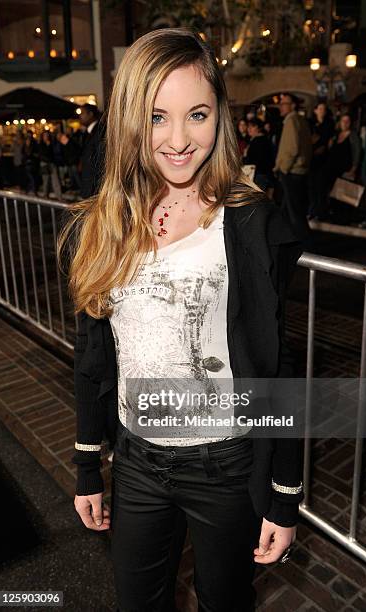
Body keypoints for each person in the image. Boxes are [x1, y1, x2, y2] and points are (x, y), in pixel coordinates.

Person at [58, 28, 304, 612]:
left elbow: (277, 365)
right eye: (156, 117)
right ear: (127, 122)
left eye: (196, 114)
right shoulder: (102, 225)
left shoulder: (249, 224)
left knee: (224, 602)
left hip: (228, 464)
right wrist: (87, 463)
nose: (177, 140)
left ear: (219, 114)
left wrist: (285, 494)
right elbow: (94, 355)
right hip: (137, 462)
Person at [274, 93, 313, 248]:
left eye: (284, 103)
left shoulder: (291, 121)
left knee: (295, 213)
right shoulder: (300, 120)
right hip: (297, 171)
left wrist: (283, 168)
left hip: (291, 172)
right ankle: (284, 242)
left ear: (293, 105)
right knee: (287, 210)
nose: (281, 106)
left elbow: (292, 148)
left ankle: (306, 246)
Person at [324, 113, 362, 223]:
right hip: (334, 169)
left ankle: (345, 217)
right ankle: (335, 215)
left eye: (347, 121)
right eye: (343, 121)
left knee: (346, 194)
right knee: (335, 193)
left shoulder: (353, 136)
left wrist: (354, 168)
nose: (345, 123)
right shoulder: (336, 136)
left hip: (346, 169)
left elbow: (357, 152)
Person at [307, 102, 335, 220]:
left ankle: (320, 211)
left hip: (324, 160)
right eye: (320, 108)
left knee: (321, 187)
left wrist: (321, 143)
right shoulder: (311, 123)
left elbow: (327, 141)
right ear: (315, 110)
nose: (322, 111)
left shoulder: (329, 124)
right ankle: (312, 210)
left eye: (324, 109)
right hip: (312, 159)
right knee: (312, 187)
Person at [243, 117, 275, 198]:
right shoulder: (263, 139)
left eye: (252, 126)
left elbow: (255, 160)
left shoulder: (258, 141)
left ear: (259, 128)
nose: (249, 129)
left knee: (257, 201)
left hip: (258, 175)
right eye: (248, 126)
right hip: (264, 175)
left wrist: (245, 155)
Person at [79, 103, 105, 198]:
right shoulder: (87, 133)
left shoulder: (100, 131)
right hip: (89, 187)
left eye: (82, 113)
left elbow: (101, 161)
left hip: (96, 190)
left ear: (90, 114)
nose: (80, 116)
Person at [38, 131, 62, 199]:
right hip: (44, 164)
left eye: (47, 135)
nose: (46, 137)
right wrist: (48, 146)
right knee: (46, 181)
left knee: (56, 180)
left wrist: (49, 146)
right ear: (42, 137)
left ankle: (59, 196)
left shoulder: (52, 143)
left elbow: (54, 153)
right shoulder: (40, 144)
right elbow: (42, 154)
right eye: (45, 135)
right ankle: (45, 195)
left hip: (52, 163)